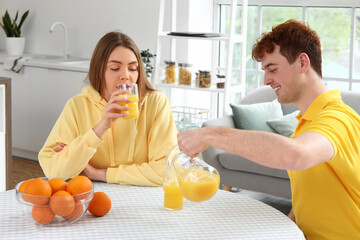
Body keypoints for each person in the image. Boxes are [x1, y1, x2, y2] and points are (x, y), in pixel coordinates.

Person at [177, 19, 360, 239]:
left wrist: (209, 134)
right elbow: (311, 198)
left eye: (272, 69)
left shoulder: (336, 118)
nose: (266, 80)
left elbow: (294, 154)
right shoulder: (307, 123)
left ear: (302, 63)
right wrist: (288, 226)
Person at [39, 31, 178, 187]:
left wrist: (101, 174)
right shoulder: (77, 106)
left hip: (144, 199)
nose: (126, 76)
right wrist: (101, 127)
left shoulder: (156, 103)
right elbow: (54, 171)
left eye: (133, 69)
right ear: (99, 70)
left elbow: (167, 170)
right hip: (94, 198)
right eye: (114, 68)